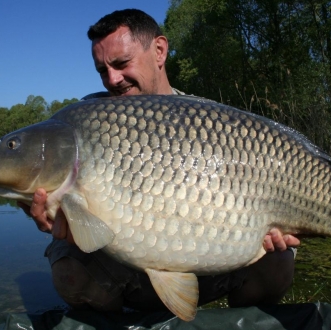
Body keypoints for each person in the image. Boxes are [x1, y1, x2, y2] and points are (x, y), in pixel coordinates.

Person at [19, 8, 300, 314]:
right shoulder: (89, 119)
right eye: (102, 69)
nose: (112, 79)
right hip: (124, 264)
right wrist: (37, 205)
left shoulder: (212, 121)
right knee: (69, 271)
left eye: (121, 63)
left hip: (212, 256)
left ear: (159, 51)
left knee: (279, 261)